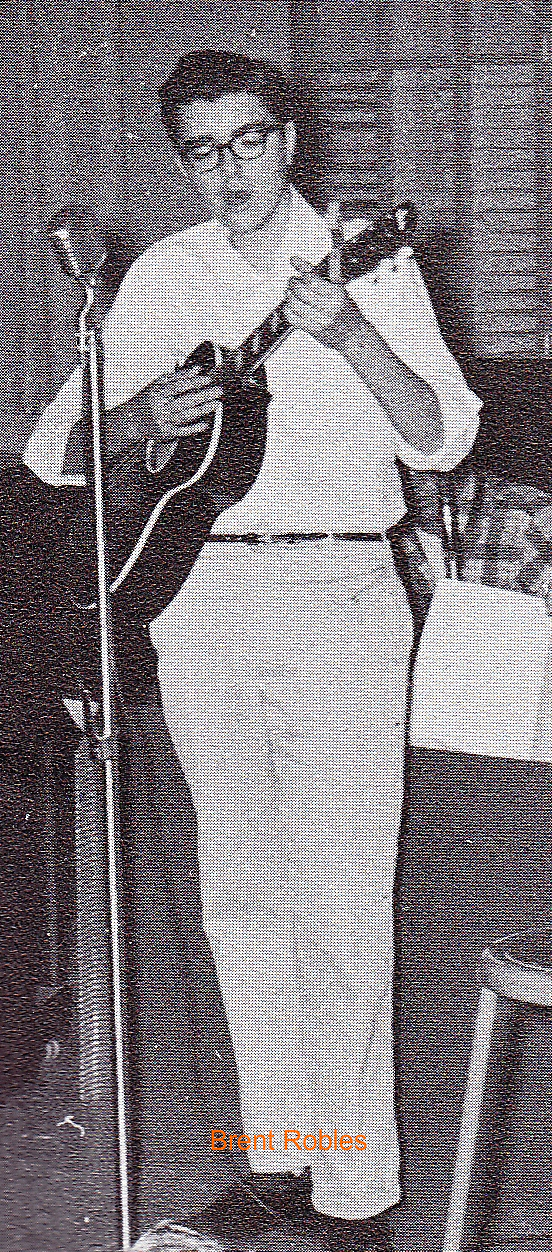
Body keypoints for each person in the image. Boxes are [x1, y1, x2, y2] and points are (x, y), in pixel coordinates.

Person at [24, 51, 481, 1252]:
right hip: (201, 596)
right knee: (242, 899)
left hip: (338, 590)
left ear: (289, 139)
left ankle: (357, 1198)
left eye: (250, 141)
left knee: (342, 902)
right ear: (182, 160)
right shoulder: (165, 274)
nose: (232, 171)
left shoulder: (364, 259)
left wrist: (352, 334)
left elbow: (442, 436)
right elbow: (54, 450)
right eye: (204, 150)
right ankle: (282, 1159)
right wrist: (137, 416)